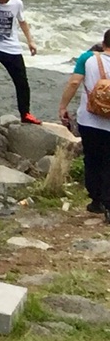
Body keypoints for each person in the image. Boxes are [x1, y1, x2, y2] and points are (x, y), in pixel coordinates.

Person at [57, 30, 110, 221]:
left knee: (92, 158)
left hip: (89, 120)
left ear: (103, 43)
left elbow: (74, 82)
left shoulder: (87, 58)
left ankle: (96, 201)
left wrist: (63, 106)